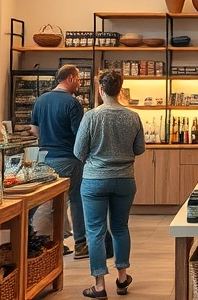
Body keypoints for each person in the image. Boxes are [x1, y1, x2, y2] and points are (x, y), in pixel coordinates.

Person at [75, 70, 145, 298]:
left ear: (100, 90)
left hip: (95, 179)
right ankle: (123, 280)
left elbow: (78, 151)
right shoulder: (133, 116)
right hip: (124, 179)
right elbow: (139, 149)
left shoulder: (91, 117)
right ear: (121, 90)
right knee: (120, 227)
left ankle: (99, 286)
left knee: (95, 231)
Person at [29, 64, 88, 259]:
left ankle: (53, 244)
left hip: (45, 158)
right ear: (70, 78)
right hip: (69, 158)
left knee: (50, 201)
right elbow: (80, 135)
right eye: (78, 79)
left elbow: (35, 130)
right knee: (76, 200)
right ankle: (81, 244)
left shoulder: (41, 100)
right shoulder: (72, 103)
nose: (79, 83)